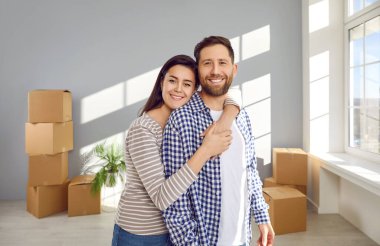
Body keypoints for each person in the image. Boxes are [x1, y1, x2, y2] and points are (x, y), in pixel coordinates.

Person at [112, 54, 240, 246]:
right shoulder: (144, 129)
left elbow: (230, 95)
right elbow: (161, 198)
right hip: (140, 235)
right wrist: (206, 150)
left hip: (174, 233)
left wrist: (227, 116)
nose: (179, 89)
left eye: (187, 84)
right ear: (162, 81)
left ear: (194, 90)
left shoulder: (182, 122)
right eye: (173, 81)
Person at [162, 37, 275, 246]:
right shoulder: (181, 120)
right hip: (205, 241)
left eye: (222, 63)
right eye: (207, 63)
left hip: (241, 237)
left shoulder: (241, 115)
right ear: (197, 70)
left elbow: (249, 169)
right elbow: (175, 202)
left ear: (234, 69)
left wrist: (262, 216)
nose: (215, 71)